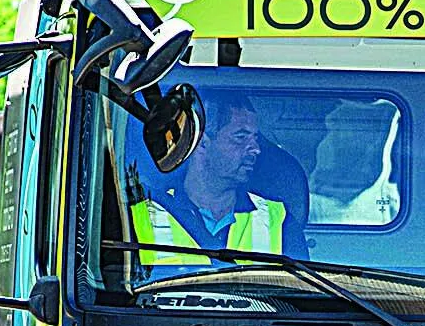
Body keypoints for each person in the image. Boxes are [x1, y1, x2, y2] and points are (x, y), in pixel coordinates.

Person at [129, 89, 309, 267]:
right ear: (202, 143)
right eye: (241, 137)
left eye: (255, 138)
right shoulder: (144, 216)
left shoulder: (278, 219)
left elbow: (303, 292)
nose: (256, 149)